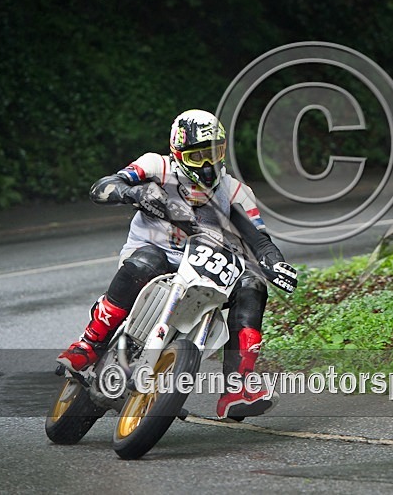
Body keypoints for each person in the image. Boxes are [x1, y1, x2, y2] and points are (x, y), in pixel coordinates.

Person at [56, 109, 295, 419]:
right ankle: (89, 344)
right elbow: (101, 188)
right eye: (198, 156)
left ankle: (239, 384)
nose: (208, 165)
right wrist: (135, 191)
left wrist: (274, 263)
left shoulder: (233, 190)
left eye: (214, 153)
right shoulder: (156, 166)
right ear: (179, 152)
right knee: (146, 263)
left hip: (203, 265)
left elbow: (259, 240)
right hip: (152, 254)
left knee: (252, 284)